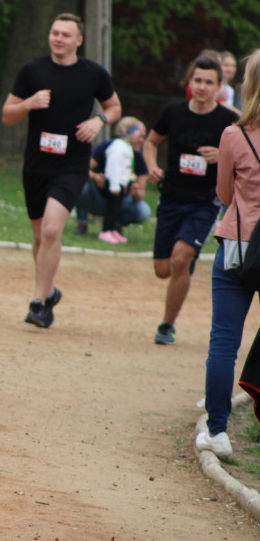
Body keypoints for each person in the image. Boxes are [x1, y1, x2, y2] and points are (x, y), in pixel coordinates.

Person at [1, 13, 120, 327]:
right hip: (36, 165)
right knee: (40, 236)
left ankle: (38, 302)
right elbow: (7, 116)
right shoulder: (32, 71)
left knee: (52, 230)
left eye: (66, 35)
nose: (58, 38)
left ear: (78, 40)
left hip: (72, 165)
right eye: (54, 32)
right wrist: (28, 104)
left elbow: (114, 107)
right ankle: (50, 291)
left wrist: (99, 121)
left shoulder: (94, 74)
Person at [143, 54, 238, 345]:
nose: (202, 87)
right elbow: (150, 142)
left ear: (220, 86)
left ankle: (166, 326)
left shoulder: (229, 120)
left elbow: (245, 159)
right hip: (171, 197)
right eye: (197, 80)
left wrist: (221, 156)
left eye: (209, 82)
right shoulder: (173, 112)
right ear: (189, 81)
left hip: (204, 202)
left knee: (180, 258)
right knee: (163, 270)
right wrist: (152, 167)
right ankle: (184, 264)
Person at [196, 49, 260, 458]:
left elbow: (222, 194)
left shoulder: (233, 135)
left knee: (224, 342)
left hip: (238, 245)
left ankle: (218, 430)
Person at [73, 117, 150, 235]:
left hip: (121, 199)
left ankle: (115, 227)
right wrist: (95, 177)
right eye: (139, 135)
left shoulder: (138, 157)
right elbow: (82, 169)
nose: (141, 140)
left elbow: (141, 192)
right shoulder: (112, 147)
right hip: (99, 195)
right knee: (79, 186)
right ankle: (83, 223)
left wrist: (136, 193)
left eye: (143, 137)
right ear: (127, 131)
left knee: (143, 210)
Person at [97, 118, 140, 245]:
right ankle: (105, 231)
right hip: (113, 184)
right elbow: (114, 166)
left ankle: (112, 229)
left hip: (121, 184)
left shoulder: (127, 147)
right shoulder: (118, 147)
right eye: (137, 132)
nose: (139, 137)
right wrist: (115, 186)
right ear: (128, 131)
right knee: (111, 209)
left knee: (116, 209)